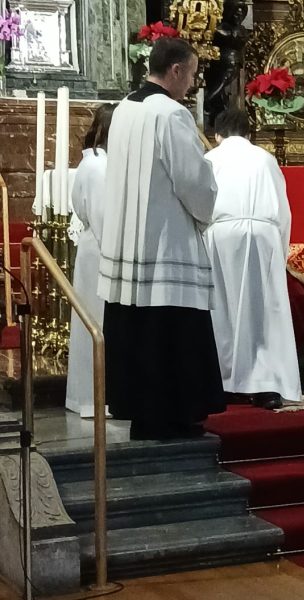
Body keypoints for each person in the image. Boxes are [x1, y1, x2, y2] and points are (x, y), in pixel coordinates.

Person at [98, 37, 224, 441]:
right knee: (170, 333)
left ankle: (143, 412)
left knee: (138, 331)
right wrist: (209, 205)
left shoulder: (125, 109)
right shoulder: (170, 114)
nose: (191, 83)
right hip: (166, 245)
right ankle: (174, 414)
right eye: (190, 73)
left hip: (129, 242)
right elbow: (193, 180)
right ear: (175, 71)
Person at [205, 109, 301, 409]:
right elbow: (283, 210)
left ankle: (222, 381)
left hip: (221, 235)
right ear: (249, 133)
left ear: (217, 135)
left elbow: (200, 202)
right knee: (263, 314)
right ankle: (266, 385)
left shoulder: (210, 159)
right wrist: (279, 250)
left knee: (222, 310)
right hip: (263, 235)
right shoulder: (265, 159)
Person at [65, 103, 115, 418]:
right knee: (97, 322)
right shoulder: (98, 165)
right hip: (101, 250)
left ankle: (95, 395)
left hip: (96, 248)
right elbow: (101, 216)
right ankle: (94, 397)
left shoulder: (99, 162)